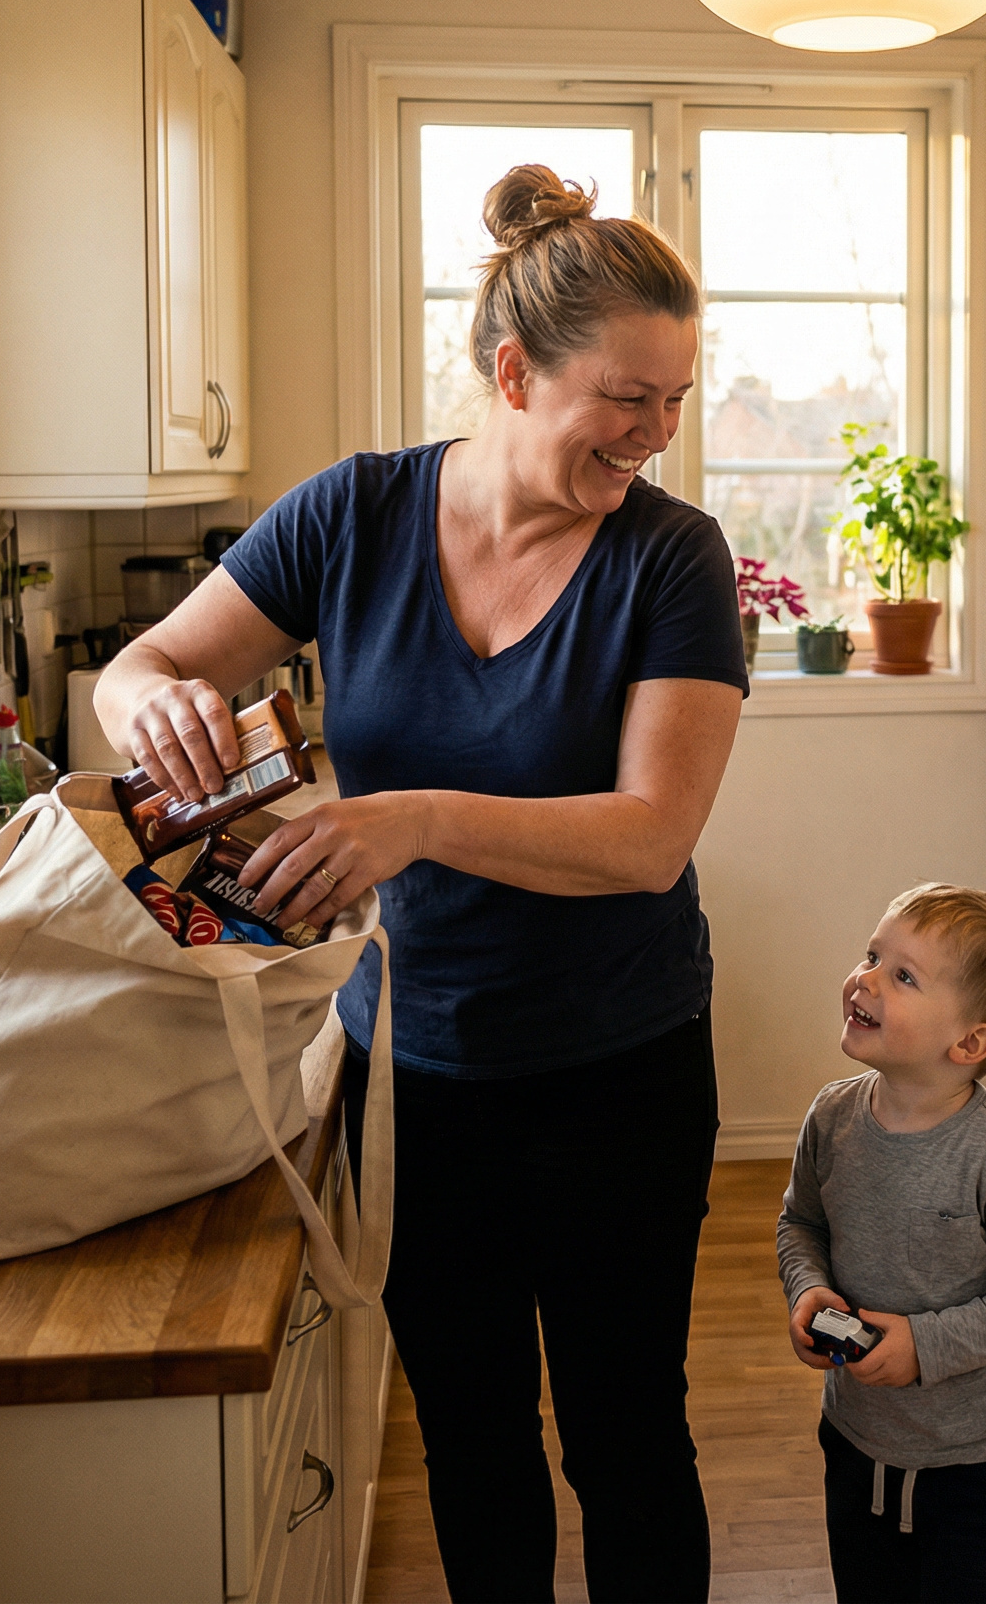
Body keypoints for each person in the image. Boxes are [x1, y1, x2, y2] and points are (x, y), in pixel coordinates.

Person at [95, 165, 748, 1604]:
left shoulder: (672, 560)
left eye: (675, 400)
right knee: (469, 1435)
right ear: (514, 372)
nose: (653, 434)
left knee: (627, 1437)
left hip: (619, 1070)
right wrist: (149, 708)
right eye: (624, 396)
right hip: (418, 1074)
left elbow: (650, 837)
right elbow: (140, 668)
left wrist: (417, 819)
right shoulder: (354, 516)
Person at [777, 884, 986, 1604]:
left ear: (970, 1042)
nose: (866, 978)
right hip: (855, 1433)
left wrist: (926, 1344)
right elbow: (802, 1223)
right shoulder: (832, 1117)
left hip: (973, 1462)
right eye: (872, 955)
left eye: (902, 975)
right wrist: (807, 1288)